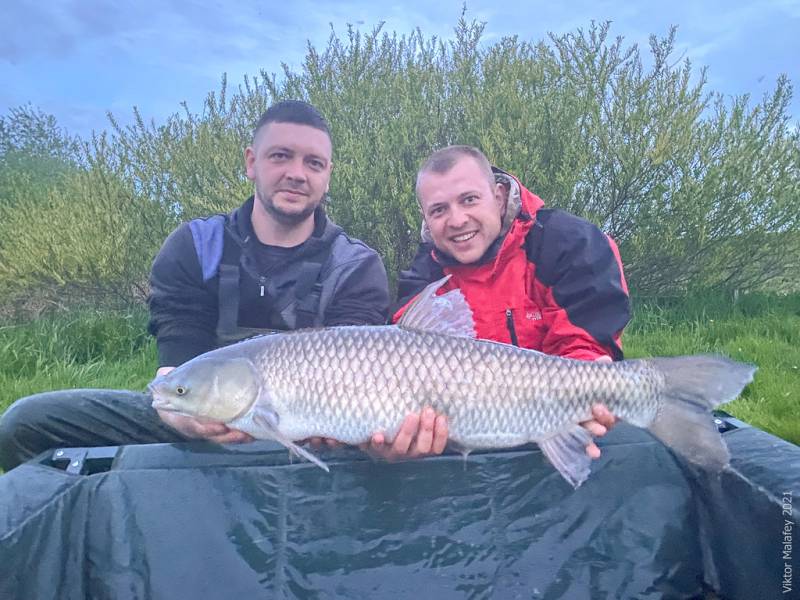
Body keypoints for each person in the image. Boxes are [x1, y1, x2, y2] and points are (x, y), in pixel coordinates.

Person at [0, 100, 390, 471]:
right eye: (280, 156)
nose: (296, 173)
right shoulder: (196, 246)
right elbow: (176, 365)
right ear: (251, 162)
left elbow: (361, 384)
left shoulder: (356, 265)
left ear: (327, 176)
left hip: (318, 435)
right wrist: (181, 418)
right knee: (27, 421)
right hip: (202, 422)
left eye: (314, 163)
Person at [361, 145, 630, 462]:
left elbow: (584, 345)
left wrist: (588, 391)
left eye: (469, 199)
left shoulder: (568, 242)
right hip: (468, 446)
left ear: (499, 195)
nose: (457, 220)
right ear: (426, 220)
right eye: (439, 210)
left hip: (552, 419)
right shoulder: (423, 283)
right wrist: (392, 440)